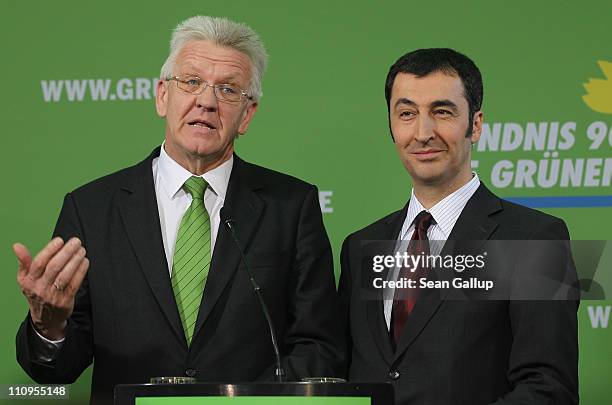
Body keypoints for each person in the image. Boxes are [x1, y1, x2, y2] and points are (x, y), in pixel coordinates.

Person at [15, 15, 344, 404]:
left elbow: (319, 348)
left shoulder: (291, 207)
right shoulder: (92, 208)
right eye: (191, 82)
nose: (206, 101)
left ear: (248, 114)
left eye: (227, 89)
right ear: (161, 96)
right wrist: (49, 326)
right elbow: (56, 369)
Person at [338, 48, 579, 404]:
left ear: (476, 125)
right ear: (391, 125)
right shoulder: (360, 246)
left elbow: (548, 388)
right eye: (406, 113)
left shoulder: (533, 239)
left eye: (442, 112)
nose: (423, 132)